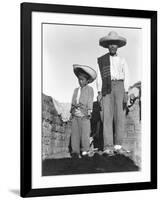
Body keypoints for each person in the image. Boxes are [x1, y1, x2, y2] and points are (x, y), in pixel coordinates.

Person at [96, 31, 129, 155]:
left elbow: (127, 76)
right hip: (106, 86)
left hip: (120, 86)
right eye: (110, 44)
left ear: (118, 46)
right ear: (107, 46)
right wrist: (99, 91)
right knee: (107, 116)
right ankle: (108, 146)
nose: (113, 46)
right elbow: (99, 76)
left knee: (120, 116)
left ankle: (118, 145)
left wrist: (126, 91)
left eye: (115, 44)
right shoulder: (102, 60)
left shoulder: (122, 60)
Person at [70, 64, 97, 158]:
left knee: (85, 133)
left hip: (84, 114)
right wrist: (74, 107)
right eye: (79, 79)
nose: (80, 81)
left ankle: (85, 149)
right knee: (75, 134)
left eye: (83, 80)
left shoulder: (90, 89)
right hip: (75, 114)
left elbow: (90, 100)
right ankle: (75, 151)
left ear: (87, 81)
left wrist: (89, 111)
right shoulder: (75, 90)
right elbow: (73, 101)